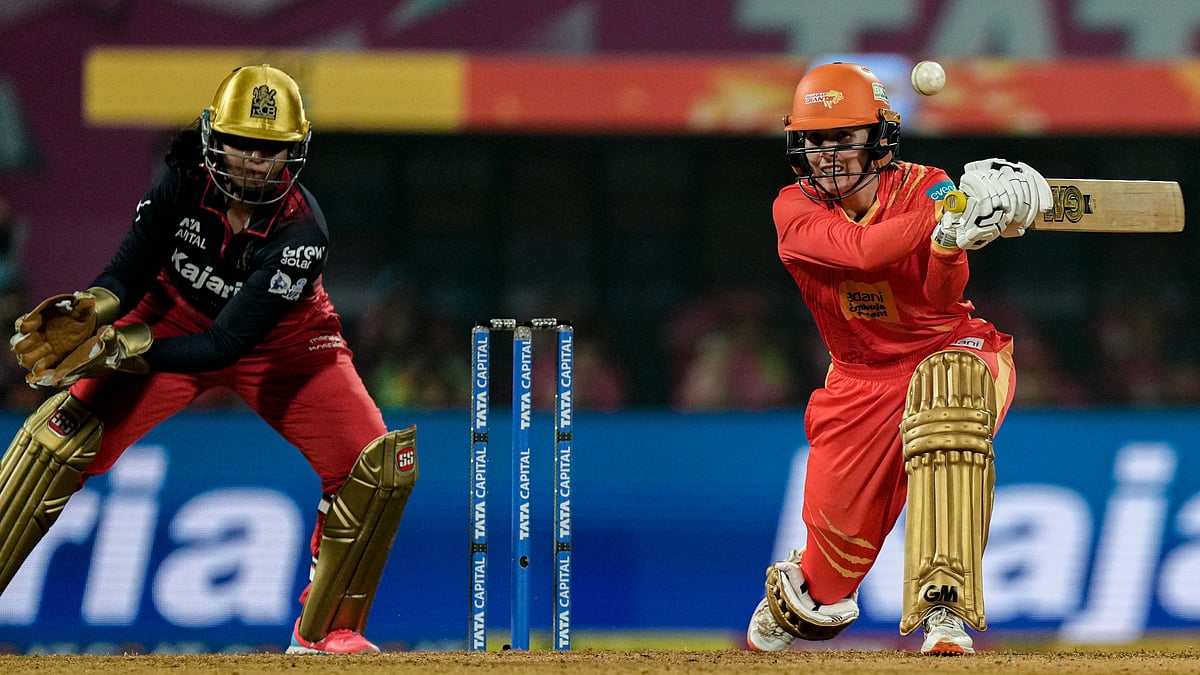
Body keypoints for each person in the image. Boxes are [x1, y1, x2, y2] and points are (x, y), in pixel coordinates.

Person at [1, 64, 418, 654]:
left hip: (284, 341)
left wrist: (119, 350)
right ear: (212, 138)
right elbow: (128, 272)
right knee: (62, 439)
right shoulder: (180, 181)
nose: (253, 160)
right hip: (169, 312)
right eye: (241, 143)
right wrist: (91, 310)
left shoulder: (302, 231)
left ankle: (321, 636)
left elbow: (226, 346)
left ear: (293, 153)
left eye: (269, 149)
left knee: (374, 466)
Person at [743, 62, 1053, 656]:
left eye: (843, 138)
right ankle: (806, 586)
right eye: (814, 140)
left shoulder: (930, 185)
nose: (827, 154)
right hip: (859, 382)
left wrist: (954, 239)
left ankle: (945, 610)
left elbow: (943, 292)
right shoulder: (792, 209)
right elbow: (861, 253)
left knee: (949, 409)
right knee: (822, 590)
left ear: (878, 138)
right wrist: (951, 211)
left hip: (949, 347)